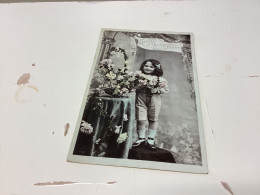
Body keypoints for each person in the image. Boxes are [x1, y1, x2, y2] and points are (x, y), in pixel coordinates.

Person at [133, 59, 169, 150]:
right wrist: (138, 85)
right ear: (142, 66)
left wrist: (156, 89)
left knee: (153, 119)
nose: (148, 68)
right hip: (141, 98)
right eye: (146, 66)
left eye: (151, 67)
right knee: (140, 119)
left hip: (154, 99)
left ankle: (150, 139)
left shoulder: (160, 79)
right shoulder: (138, 76)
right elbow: (132, 87)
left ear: (156, 68)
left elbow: (166, 90)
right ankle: (141, 138)